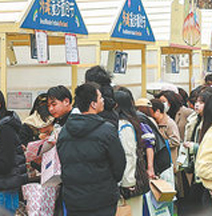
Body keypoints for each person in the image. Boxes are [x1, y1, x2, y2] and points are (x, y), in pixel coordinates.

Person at [57, 82, 126, 216]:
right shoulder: (107, 130)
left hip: (74, 199)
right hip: (102, 199)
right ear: (93, 104)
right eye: (100, 98)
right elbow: (119, 164)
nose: (103, 100)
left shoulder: (64, 131)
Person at [114, 87, 150, 215]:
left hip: (131, 182)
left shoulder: (124, 125)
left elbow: (129, 154)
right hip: (134, 179)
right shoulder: (131, 121)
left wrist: (128, 182)